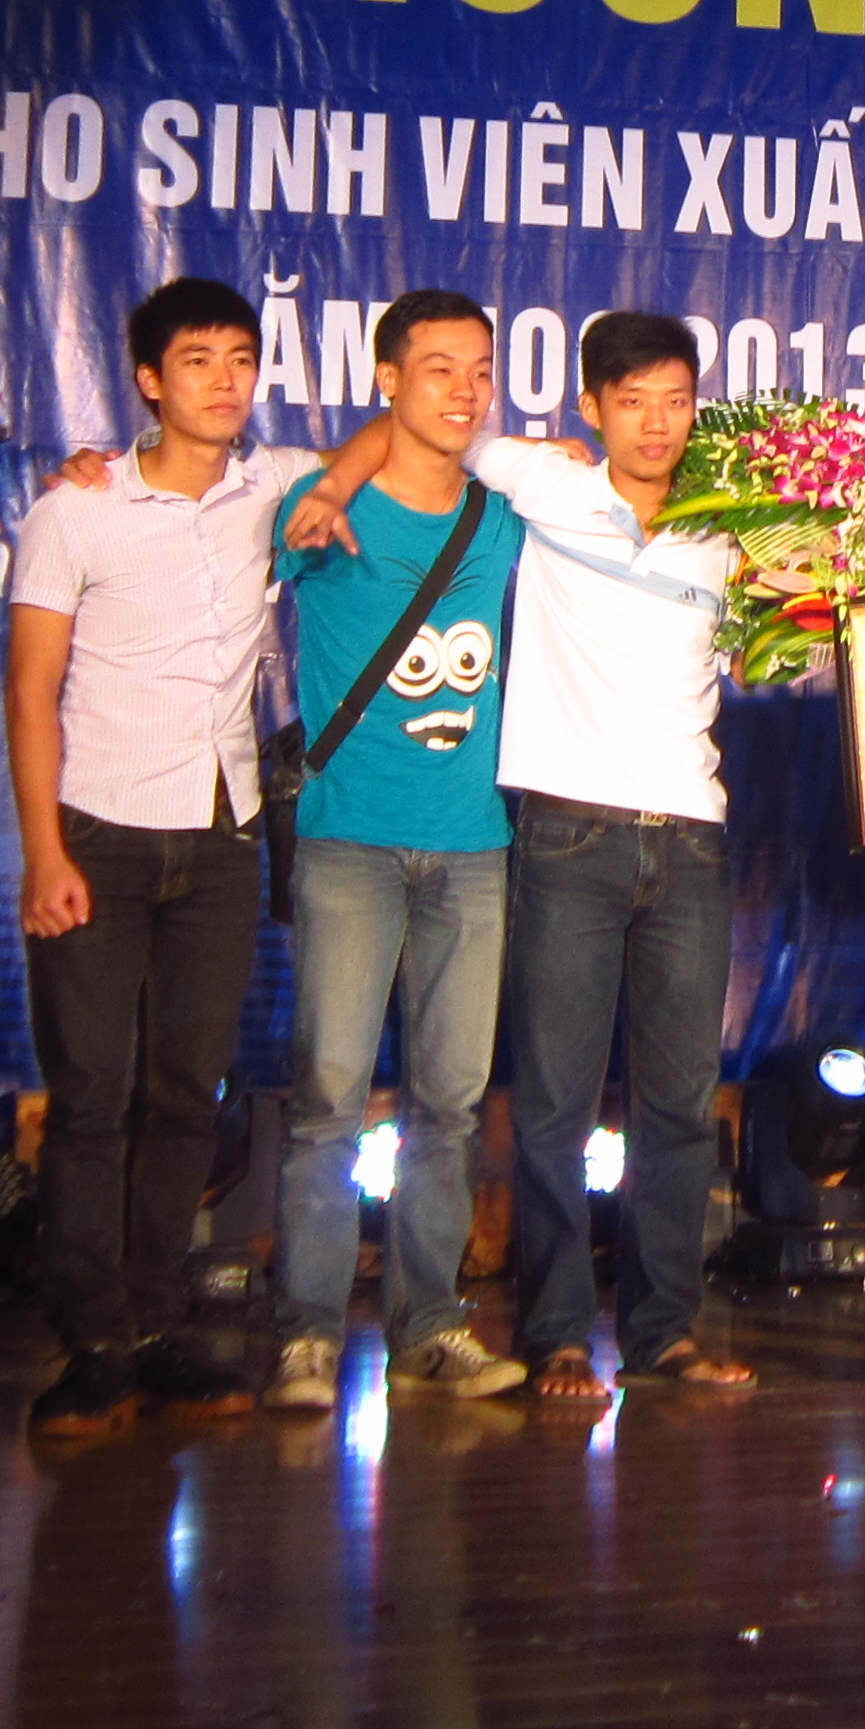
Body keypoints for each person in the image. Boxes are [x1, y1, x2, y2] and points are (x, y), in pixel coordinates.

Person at [322, 309, 754, 1403]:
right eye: (632, 402)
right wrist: (330, 488)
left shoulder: (730, 528)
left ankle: (665, 1333)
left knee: (679, 1104)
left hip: (691, 841)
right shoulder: (546, 484)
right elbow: (411, 430)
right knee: (556, 1104)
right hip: (567, 835)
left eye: (675, 402)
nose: (656, 424)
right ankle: (558, 1333)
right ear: (591, 409)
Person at [1, 275, 313, 1439]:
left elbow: (393, 446)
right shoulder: (76, 509)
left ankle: (152, 1326)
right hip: (98, 829)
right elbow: (29, 690)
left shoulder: (269, 487)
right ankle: (90, 1343)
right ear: (148, 379)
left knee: (186, 1097)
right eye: (197, 360)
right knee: (91, 1099)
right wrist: (43, 852)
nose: (225, 381)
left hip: (222, 835)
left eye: (240, 358)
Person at [257, 290, 530, 1411]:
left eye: (481, 370)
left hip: (472, 847)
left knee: (450, 1104)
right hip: (350, 845)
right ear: (387, 380)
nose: (465, 391)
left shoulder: (504, 516)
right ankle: (307, 1337)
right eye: (438, 369)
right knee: (329, 1096)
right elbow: (319, 487)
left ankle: (430, 1326)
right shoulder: (325, 509)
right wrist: (337, 478)